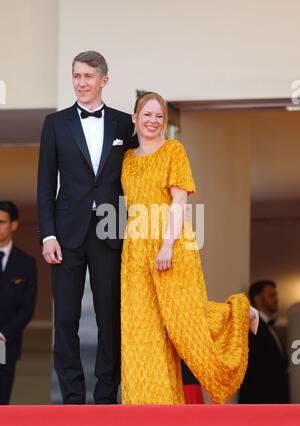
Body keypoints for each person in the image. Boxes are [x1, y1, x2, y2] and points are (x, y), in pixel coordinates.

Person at [120, 92, 259, 404]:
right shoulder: (127, 159)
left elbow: (180, 202)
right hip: (135, 249)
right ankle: (151, 409)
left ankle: (241, 312)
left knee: (186, 318)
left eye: (159, 116)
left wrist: (167, 245)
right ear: (135, 118)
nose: (153, 121)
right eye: (147, 115)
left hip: (172, 241)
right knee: (143, 330)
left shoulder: (173, 150)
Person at [37, 51, 136, 405]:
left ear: (104, 81)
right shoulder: (55, 123)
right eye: (76, 76)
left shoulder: (126, 124)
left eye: (88, 77)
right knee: (66, 318)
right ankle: (72, 398)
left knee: (110, 316)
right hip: (65, 233)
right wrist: (47, 234)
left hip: (111, 229)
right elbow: (46, 184)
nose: (81, 83)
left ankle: (107, 396)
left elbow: (136, 179)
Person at [0, 201, 37, 405]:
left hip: (5, 342)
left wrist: (3, 335)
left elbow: (26, 309)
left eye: (1, 222)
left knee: (1, 401)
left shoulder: (26, 263)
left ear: (14, 224)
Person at [239, 280, 289, 403]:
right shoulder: (252, 327)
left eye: (276, 295)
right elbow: (256, 371)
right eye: (271, 296)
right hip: (261, 404)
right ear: (258, 299)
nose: (276, 299)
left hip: (275, 404)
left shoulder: (269, 328)